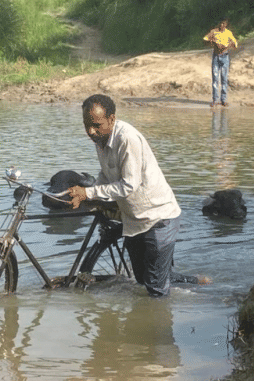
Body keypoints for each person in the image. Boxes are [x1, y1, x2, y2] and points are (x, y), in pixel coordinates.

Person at [68, 94, 182, 296]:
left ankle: (160, 322)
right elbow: (106, 174)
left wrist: (89, 192)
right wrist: (92, 197)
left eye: (95, 125)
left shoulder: (127, 139)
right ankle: (191, 282)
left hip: (157, 217)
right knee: (142, 279)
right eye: (86, 125)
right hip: (133, 219)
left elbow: (129, 184)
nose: (90, 131)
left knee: (156, 289)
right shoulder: (101, 139)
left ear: (111, 119)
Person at [203, 19, 238, 107]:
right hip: (216, 56)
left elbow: (235, 43)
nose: (222, 25)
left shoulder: (228, 33)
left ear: (226, 24)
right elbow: (205, 39)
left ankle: (223, 100)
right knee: (215, 78)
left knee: (224, 78)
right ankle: (215, 99)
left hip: (225, 56)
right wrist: (212, 41)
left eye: (224, 23)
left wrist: (231, 44)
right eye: (221, 23)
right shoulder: (214, 32)